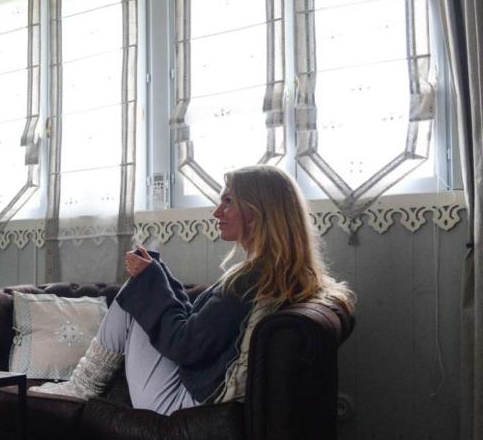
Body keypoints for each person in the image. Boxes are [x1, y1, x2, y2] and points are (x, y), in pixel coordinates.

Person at [33, 164, 353, 414]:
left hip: (181, 403)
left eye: (228, 201)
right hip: (197, 389)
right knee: (145, 284)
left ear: (258, 213)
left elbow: (185, 344)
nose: (217, 212)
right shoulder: (272, 273)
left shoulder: (250, 279)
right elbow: (198, 330)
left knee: (136, 291)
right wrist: (157, 276)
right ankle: (81, 384)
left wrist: (149, 280)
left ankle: (81, 386)